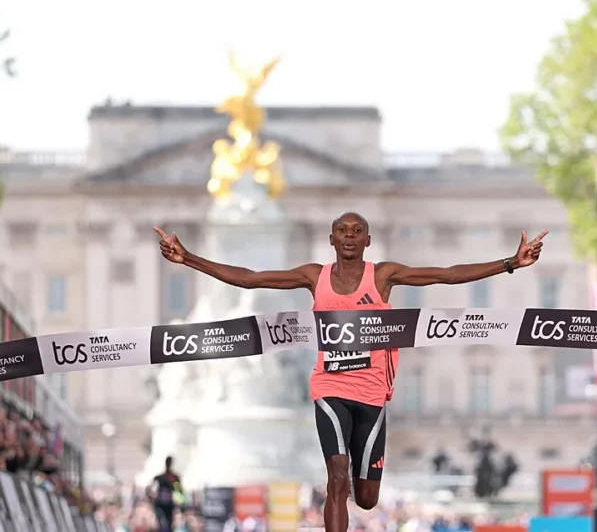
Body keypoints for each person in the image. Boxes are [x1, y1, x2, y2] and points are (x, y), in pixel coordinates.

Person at [155, 212, 546, 532]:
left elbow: (447, 273)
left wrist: (510, 263)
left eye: (357, 231)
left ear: (367, 240)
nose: (349, 236)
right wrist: (188, 258)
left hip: (372, 393)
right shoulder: (315, 276)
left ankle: (362, 487)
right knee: (337, 479)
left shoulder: (383, 275)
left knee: (367, 497)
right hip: (329, 387)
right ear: (331, 239)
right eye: (342, 230)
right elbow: (250, 279)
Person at [150, 456, 184, 532]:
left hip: (168, 505)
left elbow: (179, 490)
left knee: (168, 523)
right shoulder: (161, 477)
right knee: (161, 522)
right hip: (160, 505)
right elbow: (151, 490)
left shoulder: (173, 477)